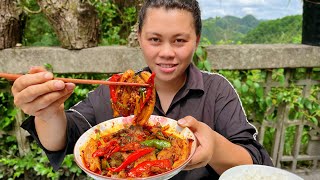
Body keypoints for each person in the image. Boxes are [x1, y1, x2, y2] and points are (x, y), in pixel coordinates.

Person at [13, 0, 273, 179]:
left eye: (180, 41)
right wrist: (47, 113)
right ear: (139, 37)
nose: (167, 53)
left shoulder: (217, 91)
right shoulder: (117, 89)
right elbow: (65, 137)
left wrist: (215, 146)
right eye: (155, 40)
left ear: (197, 40)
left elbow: (255, 162)